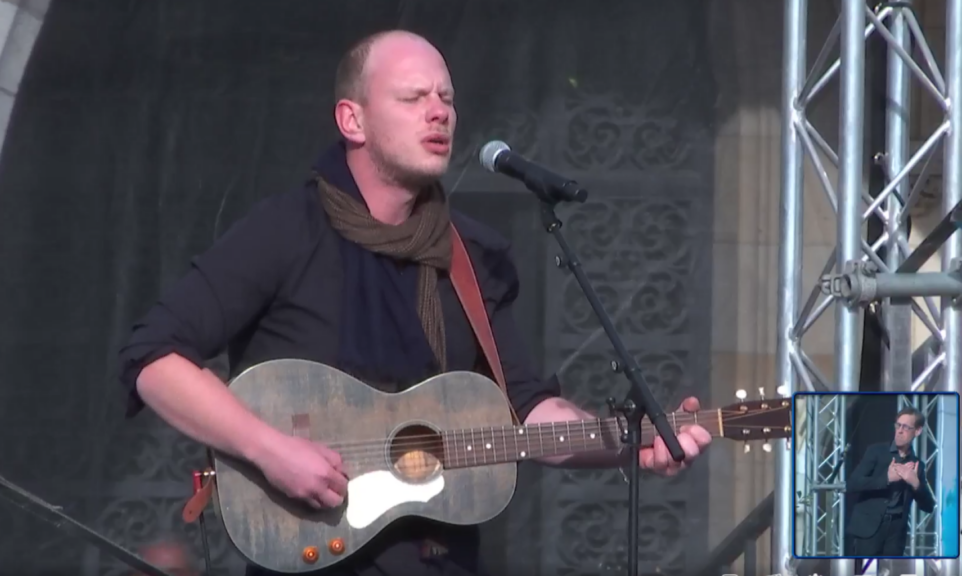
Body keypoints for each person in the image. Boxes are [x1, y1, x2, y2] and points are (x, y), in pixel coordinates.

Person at [118, 29, 713, 576]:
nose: (439, 112)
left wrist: (634, 438)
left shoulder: (474, 258)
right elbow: (153, 358)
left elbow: (525, 414)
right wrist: (271, 451)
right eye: (413, 98)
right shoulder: (285, 232)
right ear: (353, 119)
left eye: (447, 99)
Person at [845, 406, 936, 558]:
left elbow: (928, 506)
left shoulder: (916, 464)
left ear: (918, 431)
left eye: (906, 427)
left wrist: (916, 484)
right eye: (898, 425)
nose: (900, 431)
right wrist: (886, 479)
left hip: (895, 533)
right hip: (869, 529)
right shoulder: (876, 451)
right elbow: (853, 484)